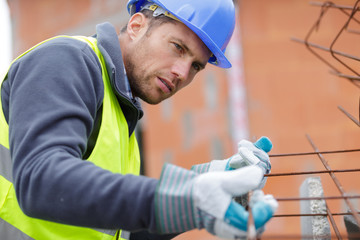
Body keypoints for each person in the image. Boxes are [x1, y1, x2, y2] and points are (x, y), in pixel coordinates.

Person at [0, 0, 278, 239]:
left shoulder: (122, 117)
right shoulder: (66, 60)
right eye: (178, 47)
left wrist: (205, 185)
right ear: (136, 26)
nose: (182, 72)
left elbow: (125, 232)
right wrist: (190, 196)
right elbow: (41, 181)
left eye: (196, 65)